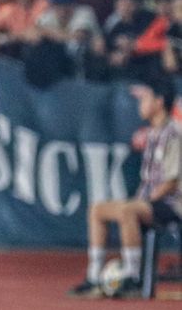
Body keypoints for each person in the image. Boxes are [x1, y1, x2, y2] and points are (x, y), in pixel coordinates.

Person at [69, 76, 182, 298]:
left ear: (159, 102)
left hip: (171, 204)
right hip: (150, 201)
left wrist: (142, 202)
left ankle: (132, 276)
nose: (140, 105)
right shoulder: (151, 134)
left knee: (127, 210)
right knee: (97, 209)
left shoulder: (173, 134)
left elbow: (171, 181)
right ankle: (94, 276)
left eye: (145, 99)